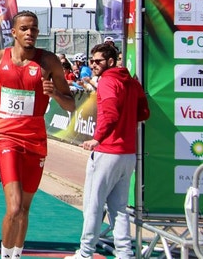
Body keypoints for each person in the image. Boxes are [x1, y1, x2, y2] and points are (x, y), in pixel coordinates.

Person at [0, 10, 75, 259]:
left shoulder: (49, 62)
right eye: (25, 29)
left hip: (36, 140)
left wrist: (54, 94)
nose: (30, 33)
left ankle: (16, 254)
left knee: (25, 210)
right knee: (15, 206)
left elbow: (71, 105)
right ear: (14, 32)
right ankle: (5, 255)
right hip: (8, 137)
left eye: (34, 29)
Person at [66, 42, 150, 259]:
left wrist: (97, 139)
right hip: (127, 153)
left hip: (108, 150)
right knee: (119, 208)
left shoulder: (108, 82)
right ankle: (124, 254)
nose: (93, 65)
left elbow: (110, 113)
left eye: (98, 61)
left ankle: (85, 253)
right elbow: (144, 113)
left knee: (93, 204)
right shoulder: (131, 83)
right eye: (92, 60)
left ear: (110, 62)